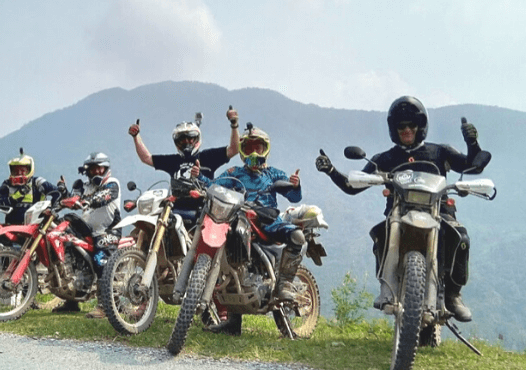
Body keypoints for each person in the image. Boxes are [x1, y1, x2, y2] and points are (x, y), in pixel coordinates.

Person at [315, 95, 488, 322]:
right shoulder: (384, 159)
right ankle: (386, 287)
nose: (406, 129)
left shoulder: (440, 152)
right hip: (399, 213)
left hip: (439, 212)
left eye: (411, 124)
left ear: (421, 126)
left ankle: (453, 296)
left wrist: (472, 143)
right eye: (401, 126)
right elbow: (352, 186)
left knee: (461, 238)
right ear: (393, 128)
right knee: (380, 233)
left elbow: (472, 166)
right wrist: (331, 171)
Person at [192, 123, 304, 336]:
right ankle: (233, 323)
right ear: (242, 151)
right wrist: (198, 177)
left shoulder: (273, 173)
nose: (253, 152)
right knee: (234, 258)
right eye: (249, 147)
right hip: (240, 220)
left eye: (258, 147)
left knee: (297, 236)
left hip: (269, 221)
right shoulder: (234, 173)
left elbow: (294, 196)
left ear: (265, 149)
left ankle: (285, 284)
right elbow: (214, 185)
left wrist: (295, 185)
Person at [128, 107, 241, 220]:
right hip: (174, 210)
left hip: (204, 212)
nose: (187, 143)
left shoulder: (208, 157)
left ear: (197, 139)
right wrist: (136, 137)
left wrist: (234, 124)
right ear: (176, 142)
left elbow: (234, 149)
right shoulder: (173, 160)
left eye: (190, 139)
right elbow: (146, 158)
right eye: (182, 140)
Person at [52, 152, 121, 319]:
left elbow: (105, 196)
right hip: (86, 230)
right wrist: (63, 193)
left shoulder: (112, 183)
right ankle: (71, 301)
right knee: (71, 254)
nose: (96, 172)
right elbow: (73, 198)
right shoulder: (83, 185)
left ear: (106, 168)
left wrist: (89, 200)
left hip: (107, 231)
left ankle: (105, 306)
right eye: (92, 169)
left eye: (99, 168)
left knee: (100, 261)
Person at [0, 151, 59, 225]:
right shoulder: (6, 185)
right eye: (16, 171)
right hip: (12, 225)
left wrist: (51, 209)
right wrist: (18, 195)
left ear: (30, 170)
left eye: (23, 171)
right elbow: (3, 204)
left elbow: (57, 192)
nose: (19, 174)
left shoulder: (37, 182)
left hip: (37, 225)